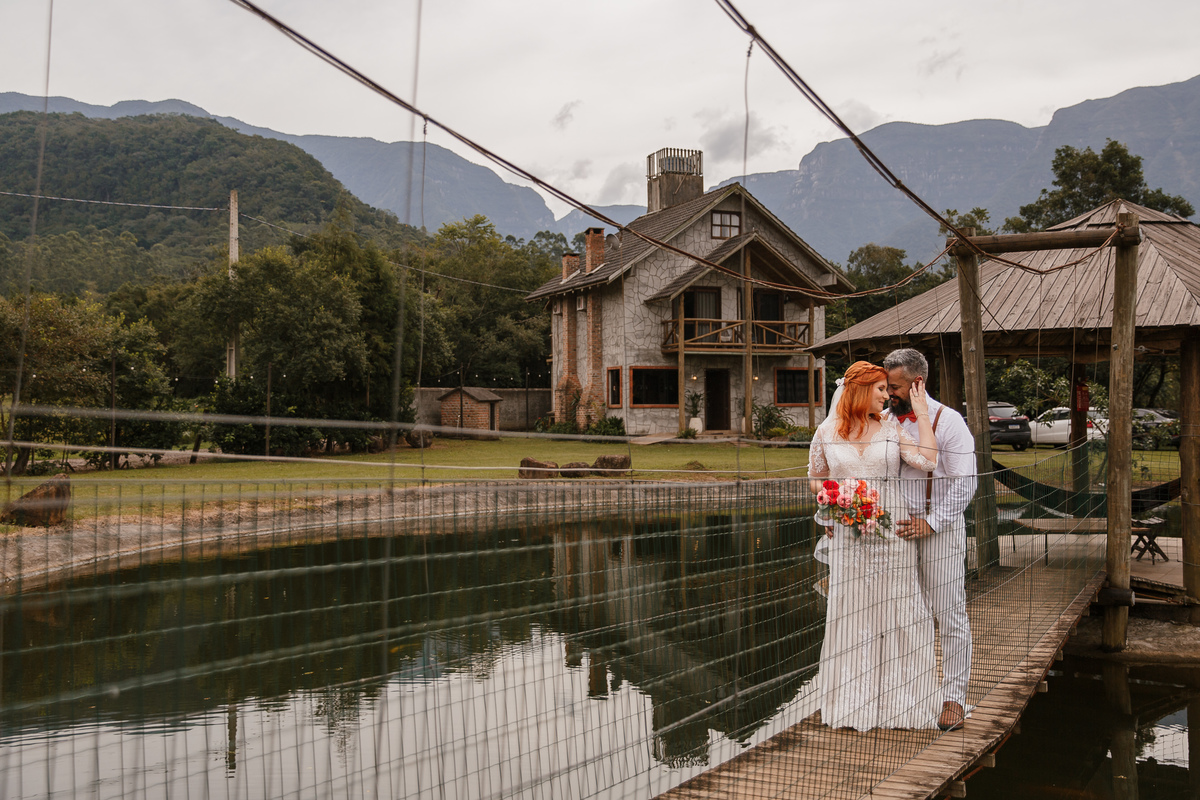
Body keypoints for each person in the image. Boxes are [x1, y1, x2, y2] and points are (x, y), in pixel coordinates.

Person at [807, 361, 943, 730]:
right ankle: (854, 701)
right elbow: (816, 479)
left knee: (899, 609)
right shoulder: (825, 432)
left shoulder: (892, 428)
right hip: (850, 537)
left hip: (892, 532)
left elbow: (928, 461)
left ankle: (903, 700)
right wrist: (833, 504)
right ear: (860, 390)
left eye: (887, 389)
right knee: (853, 613)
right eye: (881, 389)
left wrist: (922, 414)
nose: (887, 395)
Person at [883, 348, 978, 732]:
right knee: (906, 615)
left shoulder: (949, 421)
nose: (888, 392)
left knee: (949, 613)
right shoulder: (883, 420)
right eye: (887, 385)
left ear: (918, 382)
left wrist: (934, 522)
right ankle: (914, 693)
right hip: (895, 533)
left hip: (940, 530)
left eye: (896, 386)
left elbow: (965, 481)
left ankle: (954, 698)